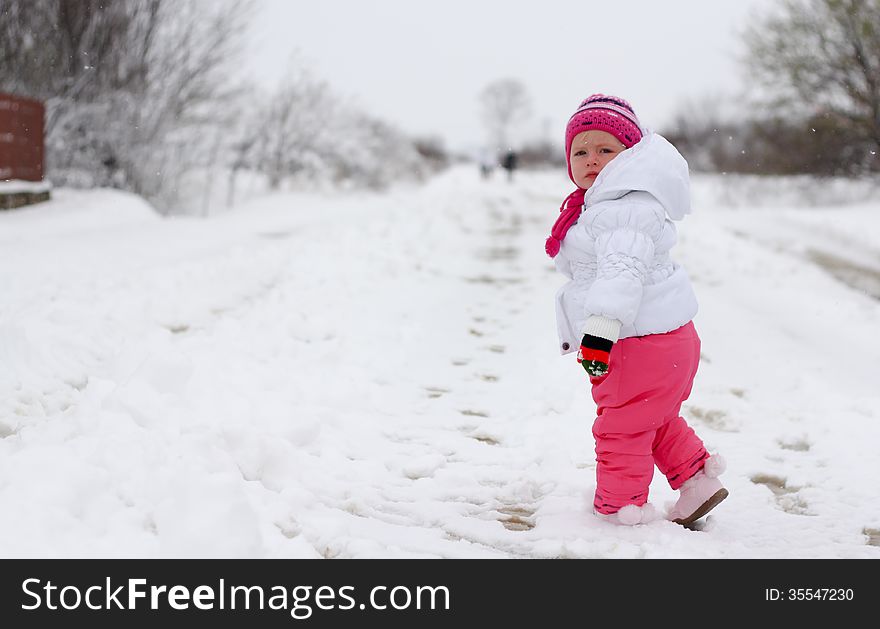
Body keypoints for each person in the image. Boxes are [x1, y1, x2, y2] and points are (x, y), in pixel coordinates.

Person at [545, 94, 728, 527]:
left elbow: (621, 271)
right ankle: (697, 480)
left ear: (631, 154)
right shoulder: (617, 203)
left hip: (635, 341)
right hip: (666, 338)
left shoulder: (623, 209)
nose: (592, 160)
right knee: (651, 416)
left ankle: (621, 509)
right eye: (581, 151)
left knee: (621, 429)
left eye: (606, 150)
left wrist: (599, 333)